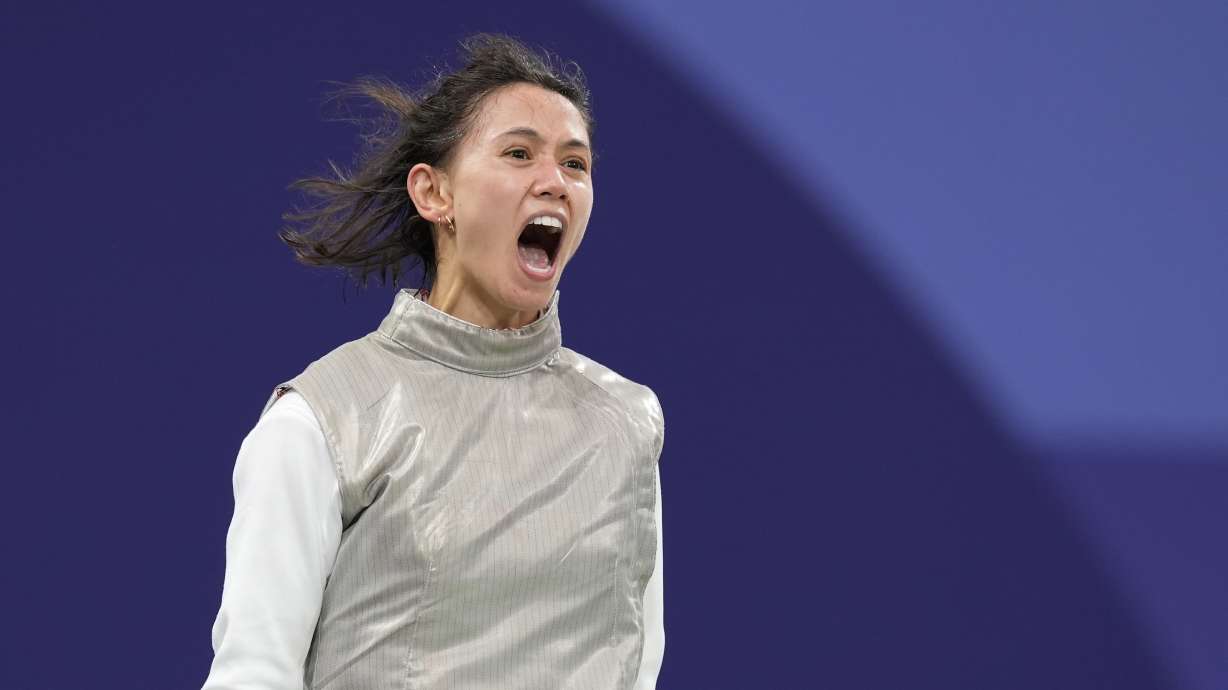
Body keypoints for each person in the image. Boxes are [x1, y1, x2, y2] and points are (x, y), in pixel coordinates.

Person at [201, 33, 666, 690]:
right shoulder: (325, 419)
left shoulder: (627, 423)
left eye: (575, 164)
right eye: (518, 153)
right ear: (434, 193)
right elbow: (253, 674)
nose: (555, 183)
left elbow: (636, 666)